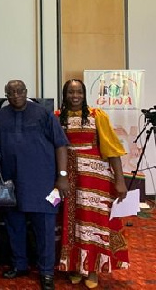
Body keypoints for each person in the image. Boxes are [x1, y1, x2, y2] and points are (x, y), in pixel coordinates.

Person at [0, 80, 69, 290]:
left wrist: (62, 176)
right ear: (5, 95)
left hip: (42, 182)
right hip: (10, 183)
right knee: (14, 226)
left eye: (20, 91)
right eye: (11, 92)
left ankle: (46, 272)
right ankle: (19, 264)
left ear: (26, 92)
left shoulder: (43, 114)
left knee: (44, 228)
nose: (16, 95)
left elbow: (61, 145)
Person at [56, 79, 130, 289]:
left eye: (79, 92)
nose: (75, 96)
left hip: (95, 178)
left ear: (84, 94)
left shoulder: (98, 116)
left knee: (94, 223)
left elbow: (112, 150)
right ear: (65, 95)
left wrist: (119, 180)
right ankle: (76, 266)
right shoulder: (57, 117)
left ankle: (93, 269)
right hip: (69, 178)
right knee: (72, 223)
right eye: (71, 92)